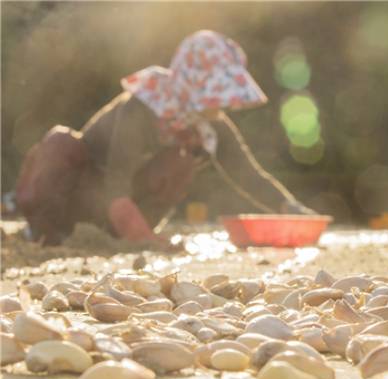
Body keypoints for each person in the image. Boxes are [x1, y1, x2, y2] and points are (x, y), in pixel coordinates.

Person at [16, 30, 313, 246]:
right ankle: (46, 232)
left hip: (120, 214)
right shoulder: (141, 108)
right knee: (60, 142)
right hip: (82, 194)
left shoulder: (209, 123)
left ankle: (117, 237)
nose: (224, 105)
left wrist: (294, 211)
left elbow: (247, 174)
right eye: (216, 94)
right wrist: (145, 239)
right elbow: (116, 183)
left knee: (180, 161)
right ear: (190, 85)